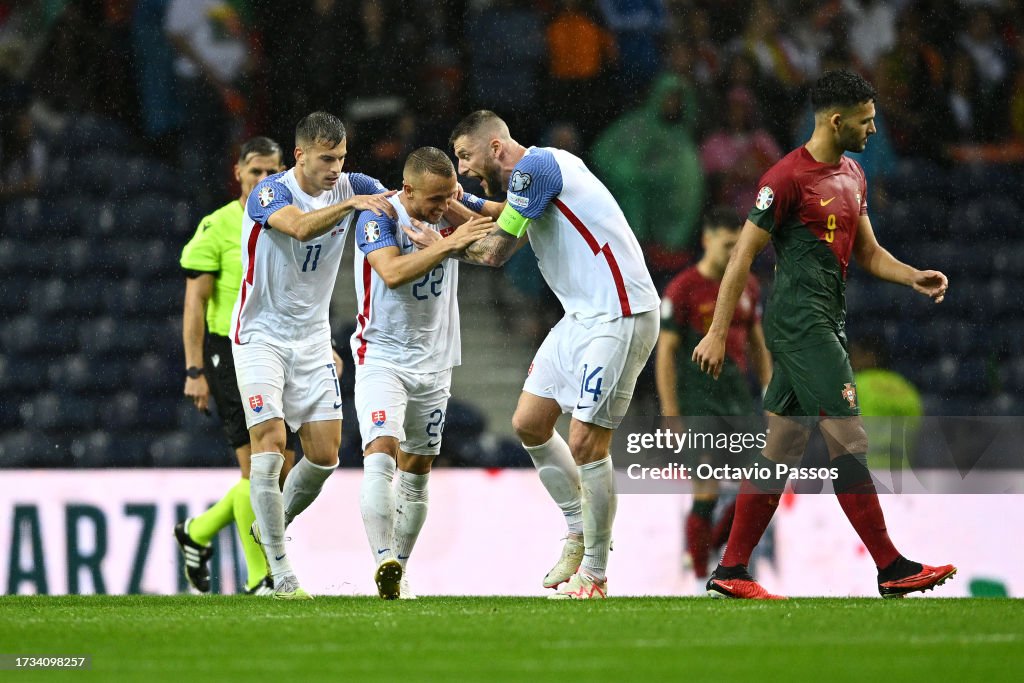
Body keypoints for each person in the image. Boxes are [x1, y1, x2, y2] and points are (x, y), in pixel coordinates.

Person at [692, 70, 956, 599]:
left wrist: (912, 276)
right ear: (837, 121)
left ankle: (732, 569)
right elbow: (742, 257)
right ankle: (891, 567)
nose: (874, 130)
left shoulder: (855, 174)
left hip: (826, 320)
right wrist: (719, 331)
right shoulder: (784, 178)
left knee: (783, 446)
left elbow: (868, 253)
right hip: (800, 324)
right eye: (866, 120)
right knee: (848, 438)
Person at [442, 110, 661, 599]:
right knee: (529, 422)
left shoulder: (536, 168)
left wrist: (437, 246)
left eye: (465, 156)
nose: (462, 168)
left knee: (586, 442)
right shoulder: (534, 177)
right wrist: (459, 204)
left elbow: (499, 251)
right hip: (581, 316)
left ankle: (596, 575)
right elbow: (505, 215)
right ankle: (578, 532)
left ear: (495, 147)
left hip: (618, 311)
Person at [233, 111, 397, 600]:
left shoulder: (355, 184)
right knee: (269, 443)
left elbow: (403, 203)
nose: (336, 168)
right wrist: (350, 208)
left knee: (324, 456)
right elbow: (301, 229)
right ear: (299, 154)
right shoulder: (271, 194)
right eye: (327, 158)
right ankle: (282, 573)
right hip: (259, 334)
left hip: (311, 338)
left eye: (342, 158)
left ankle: (272, 522)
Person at [351, 147, 493, 600]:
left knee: (417, 470)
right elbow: (391, 271)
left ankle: (399, 573)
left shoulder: (450, 204)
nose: (440, 207)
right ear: (407, 189)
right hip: (383, 358)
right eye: (433, 200)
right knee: (381, 451)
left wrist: (462, 205)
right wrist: (451, 242)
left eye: (447, 195)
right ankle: (383, 558)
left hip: (434, 363)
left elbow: (511, 215)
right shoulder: (378, 217)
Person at [175, 136, 294, 596]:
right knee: (259, 467)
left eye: (271, 173)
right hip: (230, 350)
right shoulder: (218, 226)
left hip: (280, 347)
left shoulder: (287, 224)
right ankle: (258, 575)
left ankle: (199, 531)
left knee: (283, 465)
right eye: (254, 172)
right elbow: (195, 304)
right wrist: (193, 370)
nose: (262, 180)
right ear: (238, 174)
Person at [654, 206, 771, 590]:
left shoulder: (748, 286)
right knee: (706, 486)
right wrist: (671, 411)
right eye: (727, 245)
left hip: (737, 401)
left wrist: (770, 390)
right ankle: (701, 575)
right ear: (707, 241)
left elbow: (756, 343)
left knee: (759, 484)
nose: (734, 252)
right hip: (698, 403)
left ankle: (712, 551)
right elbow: (666, 352)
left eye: (739, 246)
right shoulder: (683, 288)